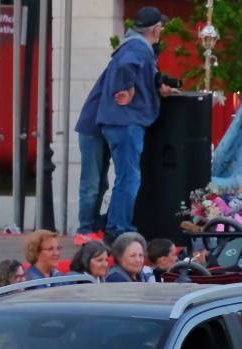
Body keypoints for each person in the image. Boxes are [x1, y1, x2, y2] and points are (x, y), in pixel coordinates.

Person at [75, 7, 177, 242]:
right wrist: (127, 88)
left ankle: (91, 228)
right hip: (123, 121)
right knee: (127, 178)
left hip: (105, 121)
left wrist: (157, 88)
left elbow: (135, 72)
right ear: (156, 30)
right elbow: (125, 68)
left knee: (99, 181)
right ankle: (118, 228)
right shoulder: (138, 47)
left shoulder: (131, 45)